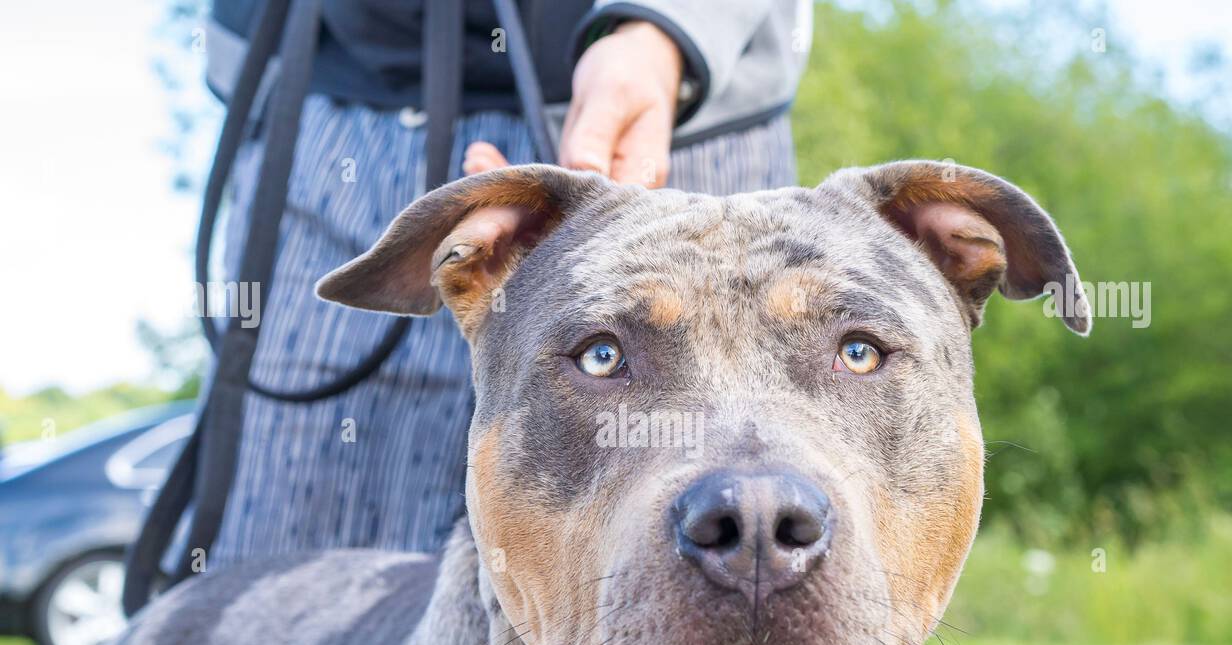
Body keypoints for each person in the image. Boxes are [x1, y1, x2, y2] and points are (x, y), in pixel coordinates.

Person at [195, 0, 812, 570]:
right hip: (330, 108)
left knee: (705, 584)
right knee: (278, 598)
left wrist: (663, 27)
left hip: (676, 113)